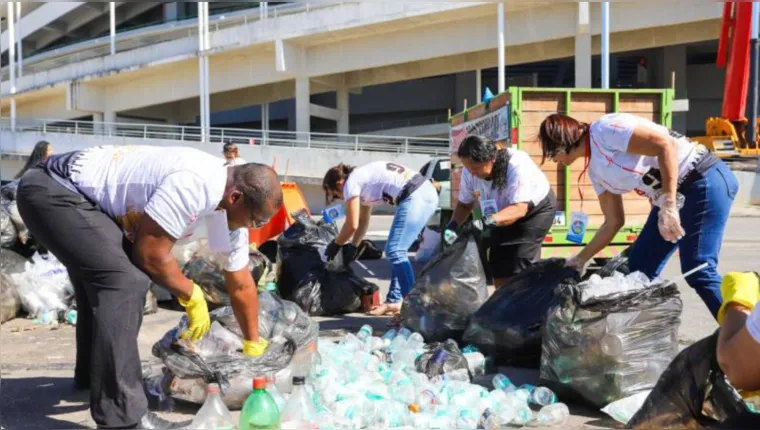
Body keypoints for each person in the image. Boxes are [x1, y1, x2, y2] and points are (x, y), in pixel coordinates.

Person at [16, 145, 282, 429]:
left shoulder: (228, 209)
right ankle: (124, 419)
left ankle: (94, 379)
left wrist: (253, 342)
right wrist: (192, 296)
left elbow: (240, 282)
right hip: (52, 190)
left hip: (76, 196)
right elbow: (149, 255)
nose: (255, 227)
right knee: (123, 280)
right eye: (257, 220)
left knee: (106, 276)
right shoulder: (195, 183)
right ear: (235, 197)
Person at [538, 113, 738, 318]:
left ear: (560, 143)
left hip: (703, 179)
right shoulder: (596, 172)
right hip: (675, 196)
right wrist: (580, 259)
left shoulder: (606, 130)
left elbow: (665, 146)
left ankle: (745, 336)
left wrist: (669, 205)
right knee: (637, 272)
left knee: (698, 269)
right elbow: (613, 222)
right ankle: (639, 342)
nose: (556, 161)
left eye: (552, 153)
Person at [322, 161, 438, 317]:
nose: (340, 198)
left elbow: (352, 224)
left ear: (339, 183)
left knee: (395, 251)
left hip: (416, 194)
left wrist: (336, 244)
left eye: (336, 194)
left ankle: (413, 308)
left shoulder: (351, 183)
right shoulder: (362, 180)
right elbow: (363, 220)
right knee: (398, 251)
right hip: (424, 193)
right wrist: (353, 246)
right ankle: (394, 301)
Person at [444, 135, 556, 287]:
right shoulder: (470, 172)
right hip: (502, 213)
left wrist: (485, 222)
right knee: (498, 262)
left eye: (475, 168)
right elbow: (464, 205)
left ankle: (527, 305)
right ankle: (503, 305)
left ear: (491, 159)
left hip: (534, 211)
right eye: (467, 167)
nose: (471, 173)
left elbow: (519, 209)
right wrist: (453, 225)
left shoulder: (517, 164)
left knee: (520, 260)